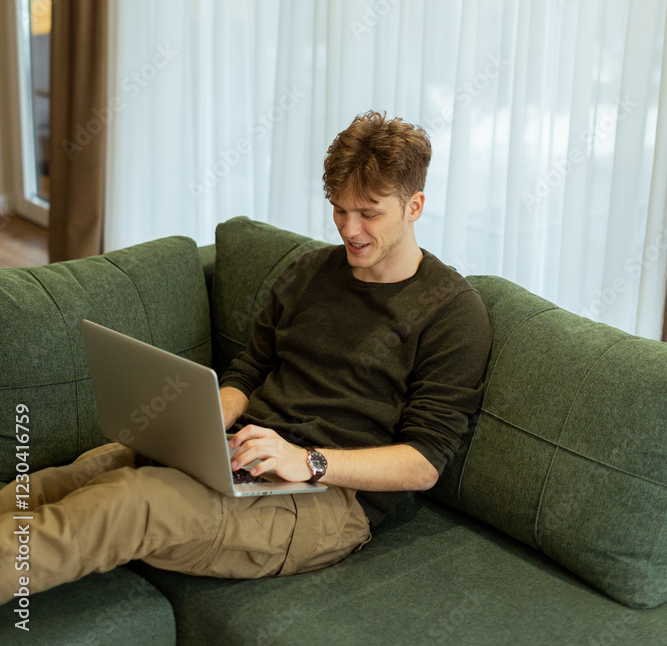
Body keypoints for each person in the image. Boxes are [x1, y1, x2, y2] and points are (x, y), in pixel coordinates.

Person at [0, 110, 493, 605]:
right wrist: (211, 415)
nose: (350, 229)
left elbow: (423, 462)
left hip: (329, 501)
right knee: (73, 476)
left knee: (129, 503)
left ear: (415, 206)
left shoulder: (452, 314)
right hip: (243, 453)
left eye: (369, 212)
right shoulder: (311, 272)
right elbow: (249, 370)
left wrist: (308, 461)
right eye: (339, 210)